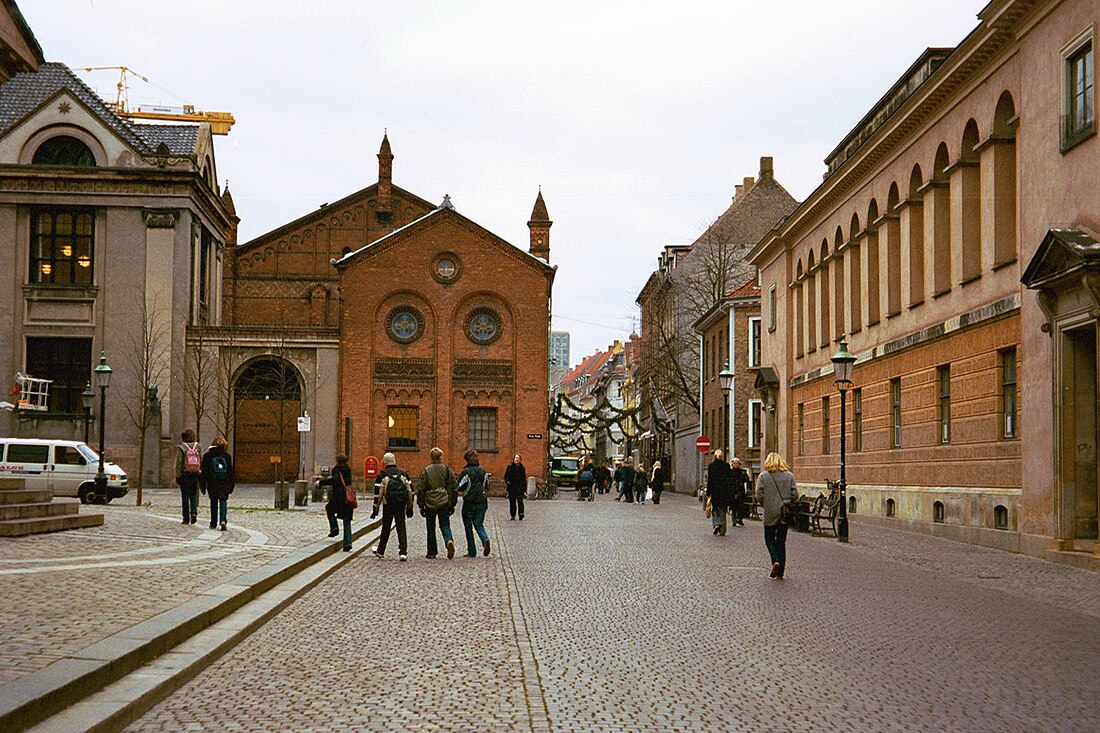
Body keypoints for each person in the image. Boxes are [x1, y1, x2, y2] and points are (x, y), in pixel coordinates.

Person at [755, 452, 797, 579]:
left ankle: (775, 560)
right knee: (781, 541)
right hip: (784, 513)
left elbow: (759, 494)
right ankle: (781, 571)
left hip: (770, 512)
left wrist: (765, 504)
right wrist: (788, 503)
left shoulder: (763, 476)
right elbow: (795, 494)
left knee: (769, 539)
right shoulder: (789, 476)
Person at [416, 447, 458, 559]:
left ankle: (432, 552)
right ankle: (449, 540)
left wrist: (421, 505)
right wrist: (452, 503)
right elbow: (454, 487)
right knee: (445, 525)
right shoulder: (447, 470)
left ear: (431, 457)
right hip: (444, 501)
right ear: (441, 457)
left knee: (431, 527)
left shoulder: (426, 471)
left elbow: (421, 489)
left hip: (430, 502)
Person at [372, 452, 413, 561]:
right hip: (400, 504)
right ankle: (403, 552)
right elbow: (410, 491)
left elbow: (378, 494)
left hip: (388, 504)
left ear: (385, 462)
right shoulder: (403, 473)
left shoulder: (382, 475)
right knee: (401, 527)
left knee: (386, 527)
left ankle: (381, 551)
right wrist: (410, 506)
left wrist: (375, 508)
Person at [458, 449, 491, 557]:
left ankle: (472, 551)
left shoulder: (465, 472)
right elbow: (487, 486)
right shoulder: (483, 471)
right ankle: (484, 538)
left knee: (468, 526)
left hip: (469, 502)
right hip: (482, 501)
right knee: (478, 524)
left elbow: (460, 486)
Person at [200, 437, 234, 531]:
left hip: (212, 482)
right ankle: (223, 520)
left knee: (213, 502)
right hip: (224, 482)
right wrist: (231, 485)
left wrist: (202, 485)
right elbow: (230, 472)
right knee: (223, 501)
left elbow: (204, 472)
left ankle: (213, 522)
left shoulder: (207, 456)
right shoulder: (227, 456)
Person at [324, 454, 355, 551]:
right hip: (348, 498)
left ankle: (334, 528)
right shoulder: (348, 470)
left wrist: (321, 482)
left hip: (339, 498)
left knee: (329, 509)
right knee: (347, 521)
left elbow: (335, 481)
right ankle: (348, 543)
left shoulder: (336, 470)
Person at [175, 429, 201, 525]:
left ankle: (186, 518)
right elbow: (200, 460)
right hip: (195, 474)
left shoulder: (182, 447)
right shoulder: (198, 446)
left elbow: (179, 463)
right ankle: (194, 512)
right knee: (193, 495)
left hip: (185, 475)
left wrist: (178, 475)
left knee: (185, 496)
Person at [707, 450, 733, 535]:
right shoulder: (726, 466)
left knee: (715, 510)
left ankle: (716, 524)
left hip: (715, 492)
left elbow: (710, 480)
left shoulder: (711, 466)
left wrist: (708, 492)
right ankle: (723, 529)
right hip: (724, 493)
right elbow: (730, 480)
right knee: (723, 511)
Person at [504, 454, 526, 521]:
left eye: (518, 458)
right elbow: (506, 476)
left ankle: (521, 513)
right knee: (512, 502)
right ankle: (513, 515)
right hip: (512, 487)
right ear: (514, 459)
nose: (517, 459)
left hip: (519, 487)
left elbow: (524, 478)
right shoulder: (510, 467)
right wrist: (508, 482)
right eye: (516, 458)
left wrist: (524, 488)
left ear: (520, 460)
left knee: (520, 501)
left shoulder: (522, 468)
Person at [730, 457, 751, 527]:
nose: (736, 465)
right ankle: (734, 520)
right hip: (732, 491)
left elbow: (747, 481)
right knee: (733, 506)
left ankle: (740, 519)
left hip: (741, 491)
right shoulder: (730, 472)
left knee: (740, 506)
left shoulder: (743, 472)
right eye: (734, 463)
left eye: (737, 463)